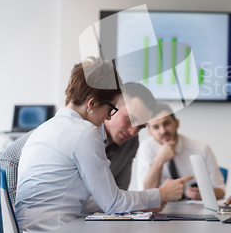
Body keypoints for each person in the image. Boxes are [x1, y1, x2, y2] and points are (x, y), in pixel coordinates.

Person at [15, 57, 192, 232]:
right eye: (109, 111)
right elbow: (113, 202)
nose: (107, 117)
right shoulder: (84, 132)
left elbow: (83, 202)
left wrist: (141, 202)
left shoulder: (44, 128)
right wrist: (161, 194)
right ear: (91, 104)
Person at [0, 82, 155, 204]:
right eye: (130, 119)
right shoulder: (74, 129)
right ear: (112, 108)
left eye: (140, 126)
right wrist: (13, 213)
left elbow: (119, 192)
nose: (133, 131)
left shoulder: (131, 143)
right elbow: (8, 157)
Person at [136, 102, 225, 200]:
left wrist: (204, 194)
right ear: (150, 132)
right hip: (162, 209)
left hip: (193, 209)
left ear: (177, 123)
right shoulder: (146, 147)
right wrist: (159, 161)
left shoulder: (201, 149)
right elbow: (145, 193)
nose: (163, 131)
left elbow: (220, 191)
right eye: (156, 127)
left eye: (167, 123)